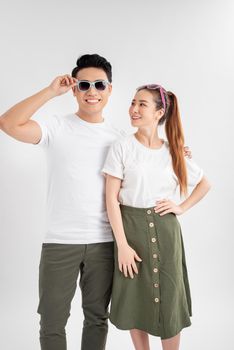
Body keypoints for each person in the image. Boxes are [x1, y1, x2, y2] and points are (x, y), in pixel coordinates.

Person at [0, 55, 192, 350]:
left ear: (109, 90)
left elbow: (148, 166)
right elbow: (8, 123)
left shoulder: (120, 139)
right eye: (84, 84)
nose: (92, 91)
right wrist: (51, 91)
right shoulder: (55, 128)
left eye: (99, 84)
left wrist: (176, 154)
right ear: (74, 89)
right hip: (59, 241)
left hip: (105, 242)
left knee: (97, 319)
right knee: (52, 321)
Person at [102, 84, 211, 350]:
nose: (134, 109)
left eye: (142, 104)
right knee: (135, 294)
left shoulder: (174, 151)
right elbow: (111, 200)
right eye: (133, 102)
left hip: (166, 231)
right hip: (130, 230)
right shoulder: (121, 147)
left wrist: (181, 207)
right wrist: (123, 246)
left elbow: (205, 184)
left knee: (170, 294)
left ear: (159, 112)